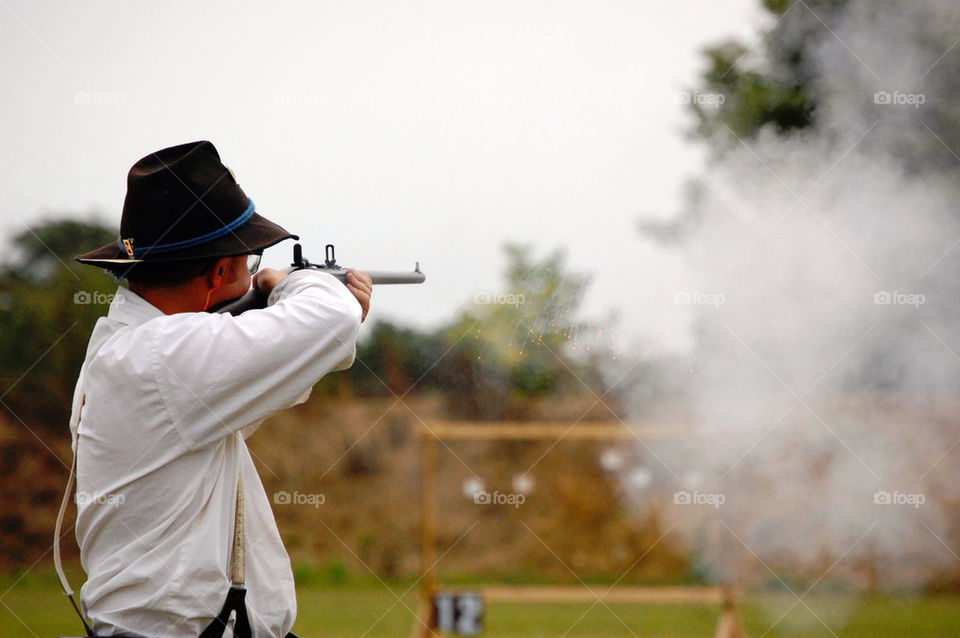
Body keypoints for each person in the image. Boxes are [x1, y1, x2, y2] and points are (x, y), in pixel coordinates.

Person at [68, 140, 372, 637]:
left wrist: (309, 317)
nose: (253, 271)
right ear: (218, 271)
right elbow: (330, 319)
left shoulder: (130, 347)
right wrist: (294, 283)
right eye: (248, 261)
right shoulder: (161, 352)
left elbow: (274, 376)